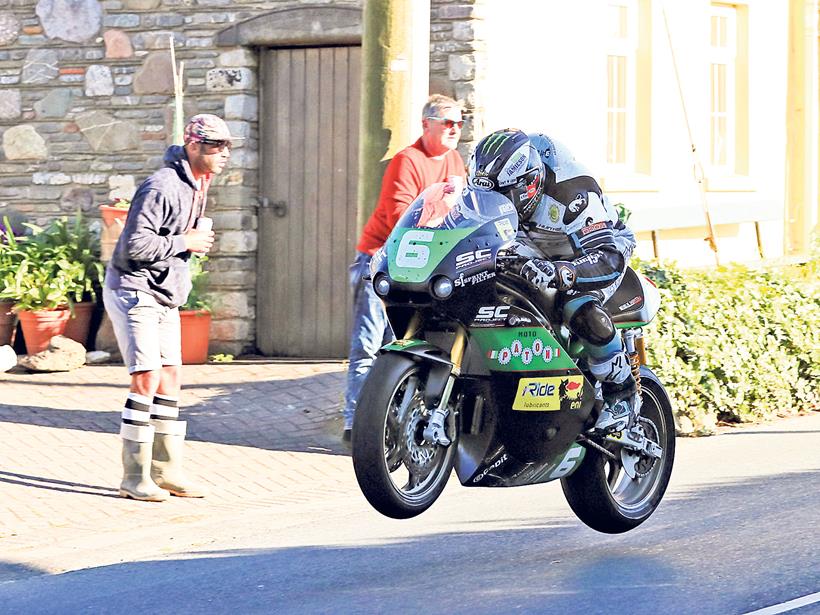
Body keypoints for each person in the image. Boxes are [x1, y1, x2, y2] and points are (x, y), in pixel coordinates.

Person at [103, 114, 239, 501]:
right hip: (133, 289)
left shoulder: (199, 182)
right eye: (216, 145)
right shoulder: (161, 186)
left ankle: (166, 471)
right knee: (145, 376)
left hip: (163, 293)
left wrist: (186, 245)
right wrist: (186, 241)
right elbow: (134, 246)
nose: (224, 153)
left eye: (227, 145)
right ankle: (133, 476)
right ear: (193, 145)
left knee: (170, 377)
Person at [467, 128, 639, 433]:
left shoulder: (572, 194)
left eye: (502, 195)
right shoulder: (495, 189)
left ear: (530, 183)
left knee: (575, 302)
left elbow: (607, 257)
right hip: (533, 243)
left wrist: (564, 272)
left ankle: (621, 390)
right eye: (486, 195)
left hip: (595, 248)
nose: (495, 202)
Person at [342, 94, 467, 442]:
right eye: (447, 122)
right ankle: (355, 424)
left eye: (460, 122)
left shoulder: (455, 160)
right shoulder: (407, 160)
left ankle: (388, 424)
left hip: (424, 266)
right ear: (426, 124)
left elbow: (464, 206)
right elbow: (401, 216)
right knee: (369, 346)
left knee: (402, 346)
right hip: (380, 262)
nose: (455, 128)